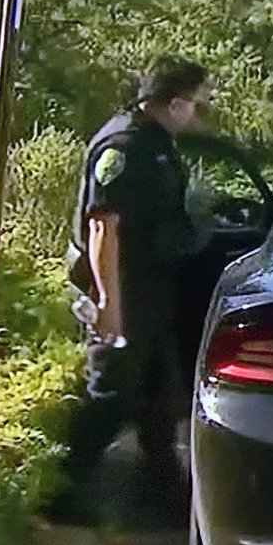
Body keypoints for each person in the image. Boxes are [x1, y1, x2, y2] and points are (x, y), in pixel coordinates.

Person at [56, 56, 211, 520]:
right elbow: (104, 229)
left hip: (150, 289)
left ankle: (164, 494)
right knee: (112, 393)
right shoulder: (125, 147)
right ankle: (58, 492)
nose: (196, 113)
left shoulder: (155, 143)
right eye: (195, 104)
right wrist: (109, 305)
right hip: (125, 287)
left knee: (158, 395)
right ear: (175, 102)